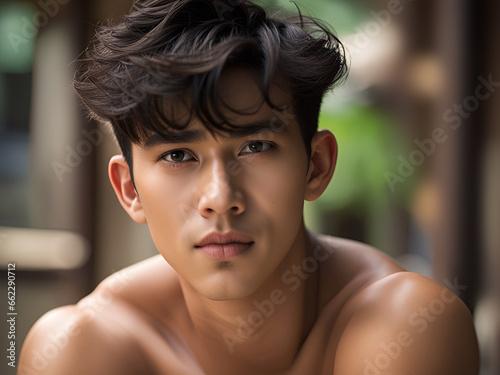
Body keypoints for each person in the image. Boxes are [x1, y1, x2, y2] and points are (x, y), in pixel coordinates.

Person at [19, 0, 479, 374]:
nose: (220, 198)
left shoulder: (404, 326)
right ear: (130, 189)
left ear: (316, 165)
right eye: (178, 155)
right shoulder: (81, 349)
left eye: (255, 146)